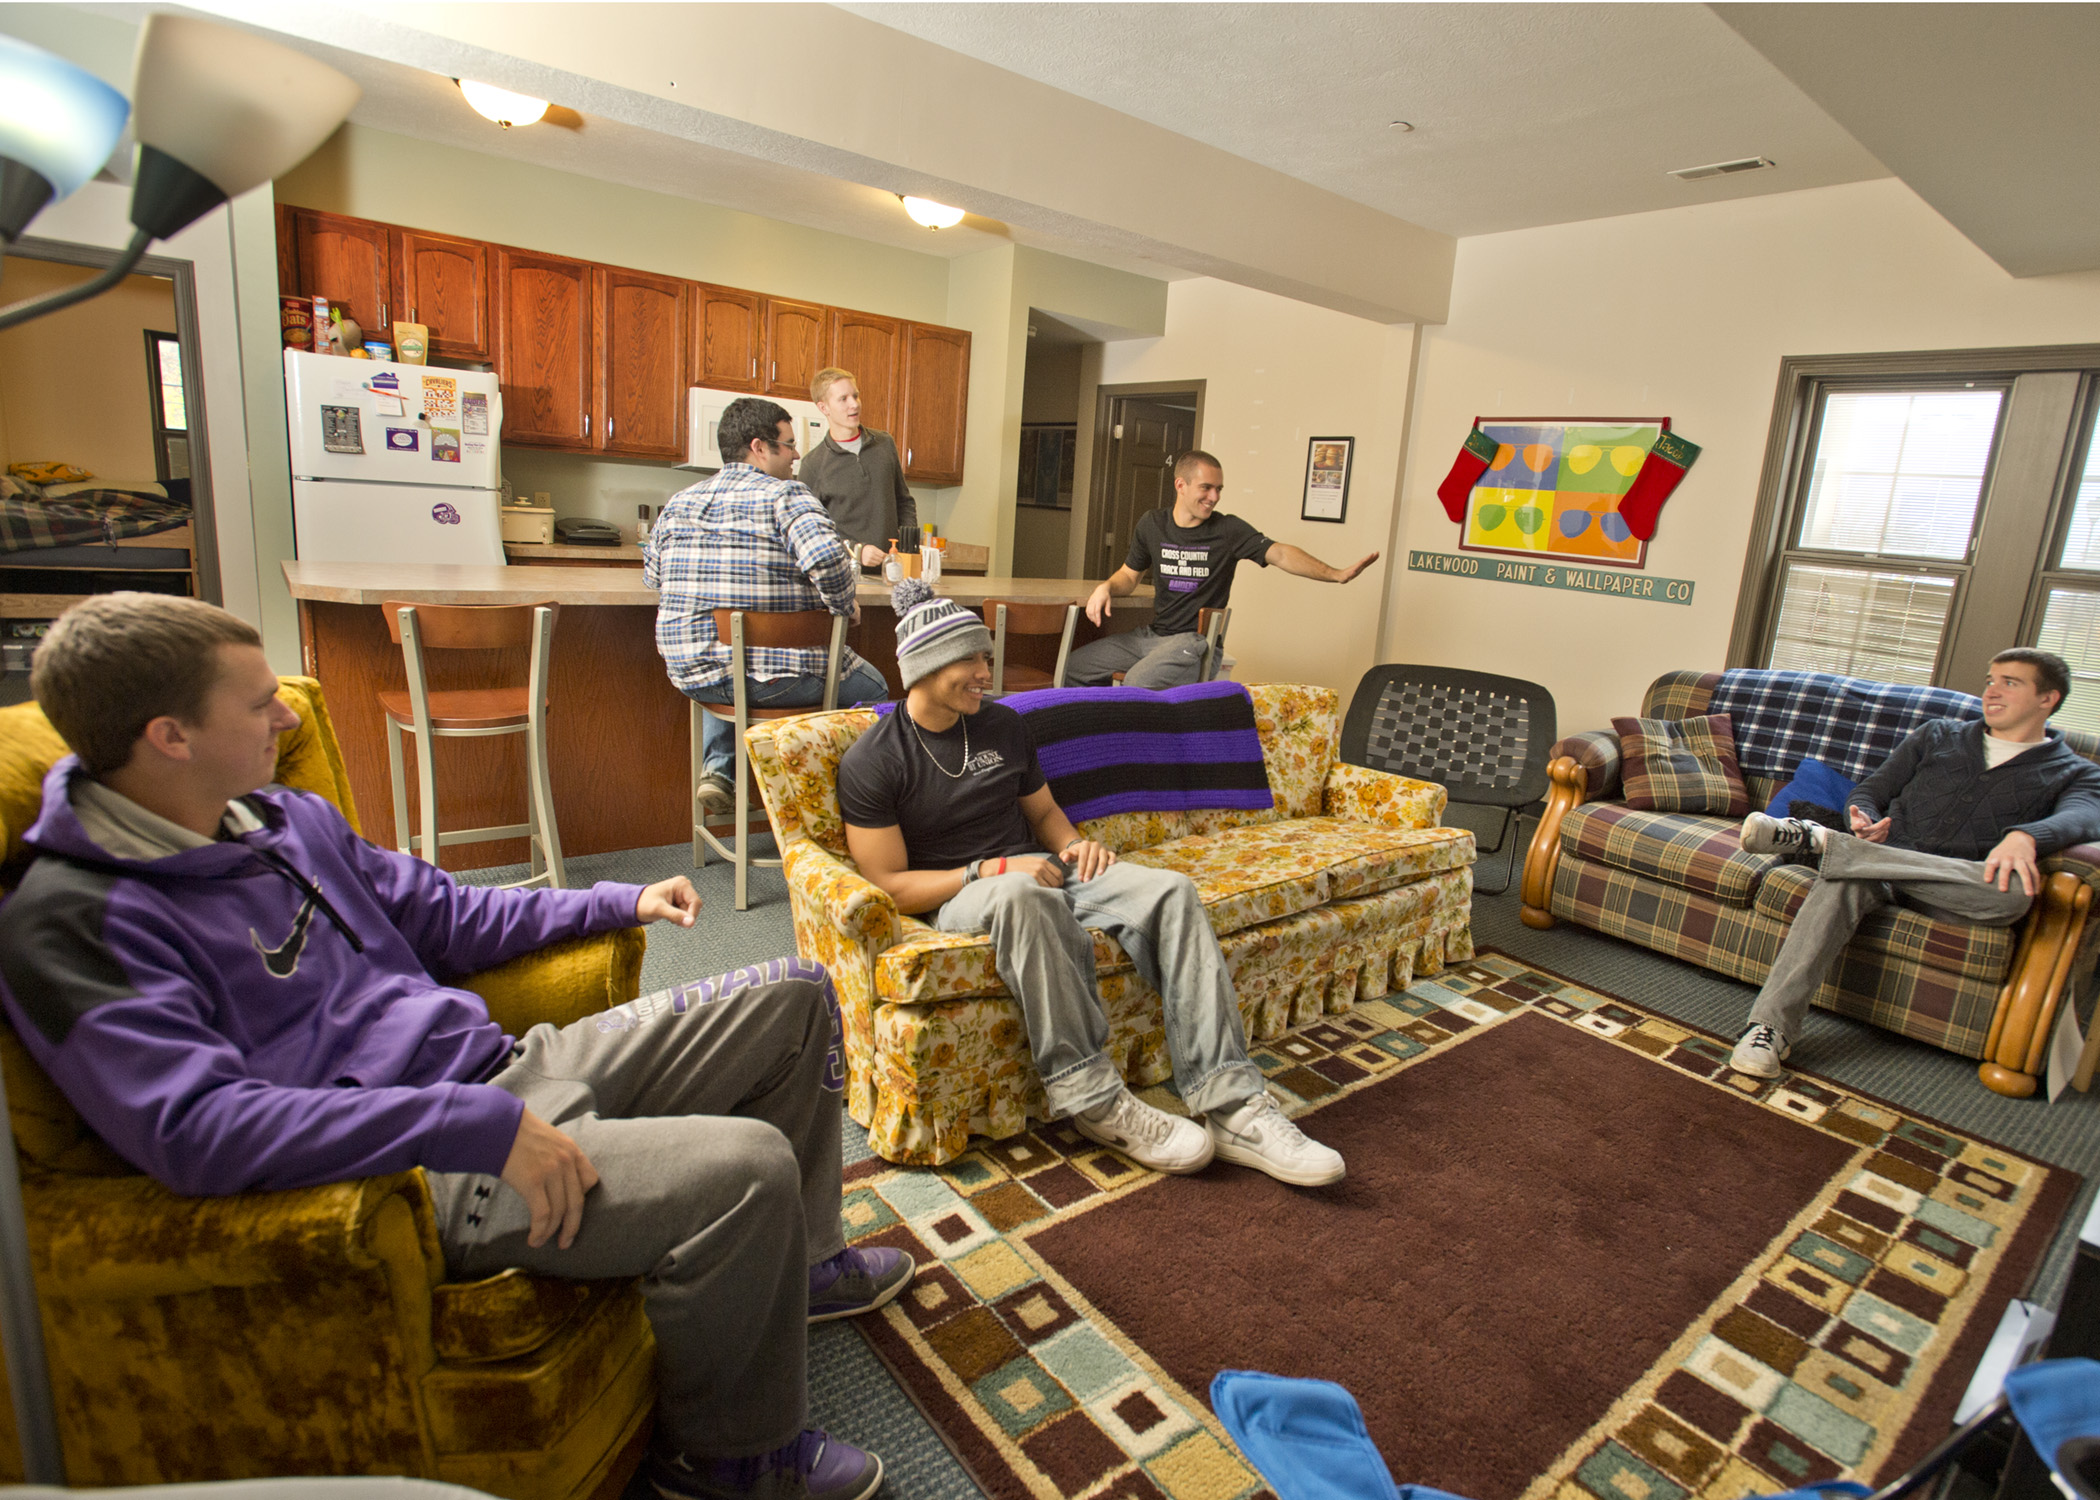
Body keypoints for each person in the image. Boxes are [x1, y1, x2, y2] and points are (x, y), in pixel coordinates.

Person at [0, 593, 908, 1500]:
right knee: (743, 1169)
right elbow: (201, 1130)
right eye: (256, 702)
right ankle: (726, 1464)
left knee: (795, 995)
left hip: (502, 1069)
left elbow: (444, 911)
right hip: (405, 1172)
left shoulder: (279, 820)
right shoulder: (70, 923)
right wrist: (461, 1123)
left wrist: (612, 900)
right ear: (170, 737)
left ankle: (810, 1264)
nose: (286, 714)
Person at [834, 578, 1346, 1185]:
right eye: (969, 660)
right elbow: (891, 885)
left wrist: (1075, 845)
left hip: (1043, 869)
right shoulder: (875, 760)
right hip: (964, 891)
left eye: (983, 658)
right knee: (1022, 893)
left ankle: (1231, 1103)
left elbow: (1045, 815)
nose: (983, 671)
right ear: (925, 667)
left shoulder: (1000, 726)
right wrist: (989, 869)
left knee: (1170, 892)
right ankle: (1096, 1102)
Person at [1728, 648, 2100, 1080]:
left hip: (1955, 887)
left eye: (2009, 683)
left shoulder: (2075, 771)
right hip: (1878, 876)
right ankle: (1769, 1029)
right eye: (1990, 679)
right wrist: (1859, 815)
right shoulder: (1938, 734)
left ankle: (1824, 844)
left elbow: (2084, 817)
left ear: (2047, 699)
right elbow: (1872, 789)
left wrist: (2026, 836)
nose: (1992, 690)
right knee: (1844, 879)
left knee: (2014, 894)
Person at [647, 395, 890, 814]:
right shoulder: (786, 496)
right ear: (760, 447)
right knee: (877, 694)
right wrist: (842, 605)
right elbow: (831, 562)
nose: (797, 454)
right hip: (780, 679)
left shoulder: (678, 503)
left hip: (692, 675)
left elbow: (653, 576)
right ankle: (830, 805)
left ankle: (721, 770)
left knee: (733, 662)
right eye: (789, 443)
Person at [1063, 450, 1380, 689]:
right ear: (1181, 485)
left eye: (1219, 489)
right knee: (1072, 666)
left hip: (1194, 642)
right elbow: (1129, 576)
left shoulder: (1228, 530)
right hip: (1151, 637)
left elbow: (1280, 553)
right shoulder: (1152, 524)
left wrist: (1336, 574)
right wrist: (1105, 587)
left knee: (1135, 684)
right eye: (1206, 488)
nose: (1214, 497)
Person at [796, 367, 917, 570]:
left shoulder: (885, 444)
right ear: (823, 407)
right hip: (844, 576)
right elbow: (809, 533)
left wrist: (906, 547)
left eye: (856, 396)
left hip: (893, 573)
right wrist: (856, 550)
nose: (854, 404)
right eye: (843, 399)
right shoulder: (812, 465)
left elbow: (904, 502)